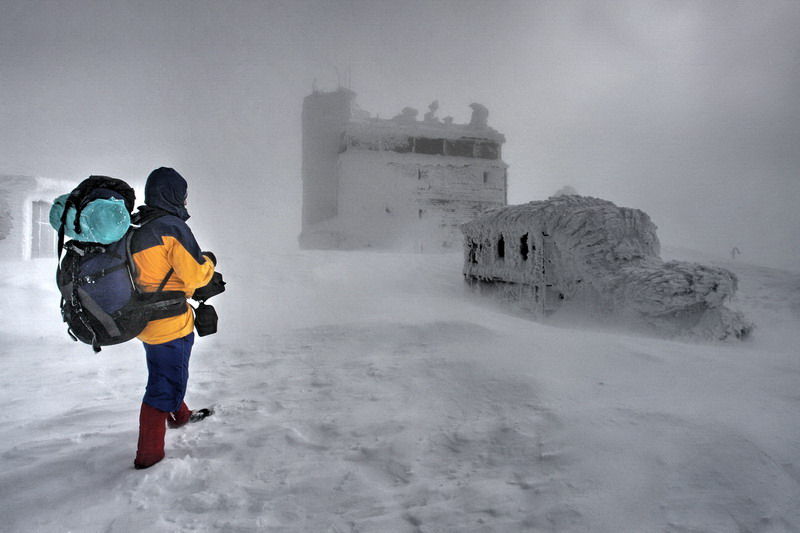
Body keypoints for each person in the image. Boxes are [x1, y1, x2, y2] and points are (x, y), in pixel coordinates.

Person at [129, 167, 216, 469]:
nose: (186, 201)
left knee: (164, 372)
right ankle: (149, 455)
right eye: (184, 195)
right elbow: (195, 275)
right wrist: (209, 262)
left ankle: (180, 415)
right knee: (164, 384)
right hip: (170, 323)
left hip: (145, 320)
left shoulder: (139, 226)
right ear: (173, 195)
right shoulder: (171, 227)